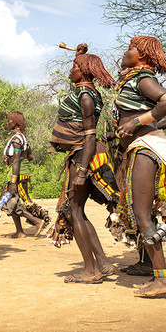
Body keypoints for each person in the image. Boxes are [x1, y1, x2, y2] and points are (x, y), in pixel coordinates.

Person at [114, 35, 166, 297]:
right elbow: (162, 115)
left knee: (143, 215)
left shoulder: (144, 79)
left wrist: (135, 123)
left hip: (148, 146)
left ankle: (163, 280)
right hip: (142, 146)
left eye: (130, 48)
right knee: (141, 214)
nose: (126, 51)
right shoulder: (133, 79)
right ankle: (159, 276)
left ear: (142, 54)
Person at [47, 48, 119, 284]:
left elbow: (90, 135)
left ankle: (91, 270)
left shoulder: (86, 96)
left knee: (74, 211)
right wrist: (79, 54)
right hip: (81, 154)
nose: (71, 69)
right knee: (78, 211)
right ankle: (103, 262)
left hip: (83, 155)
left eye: (75, 66)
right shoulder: (85, 92)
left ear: (84, 72)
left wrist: (82, 171)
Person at [0, 111, 50, 238]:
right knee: (7, 200)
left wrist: (13, 181)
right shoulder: (22, 137)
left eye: (9, 120)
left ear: (16, 123)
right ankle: (20, 231)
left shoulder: (17, 139)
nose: (7, 122)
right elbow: (30, 157)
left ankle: (37, 221)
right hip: (19, 171)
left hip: (17, 173)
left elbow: (16, 160)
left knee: (9, 201)